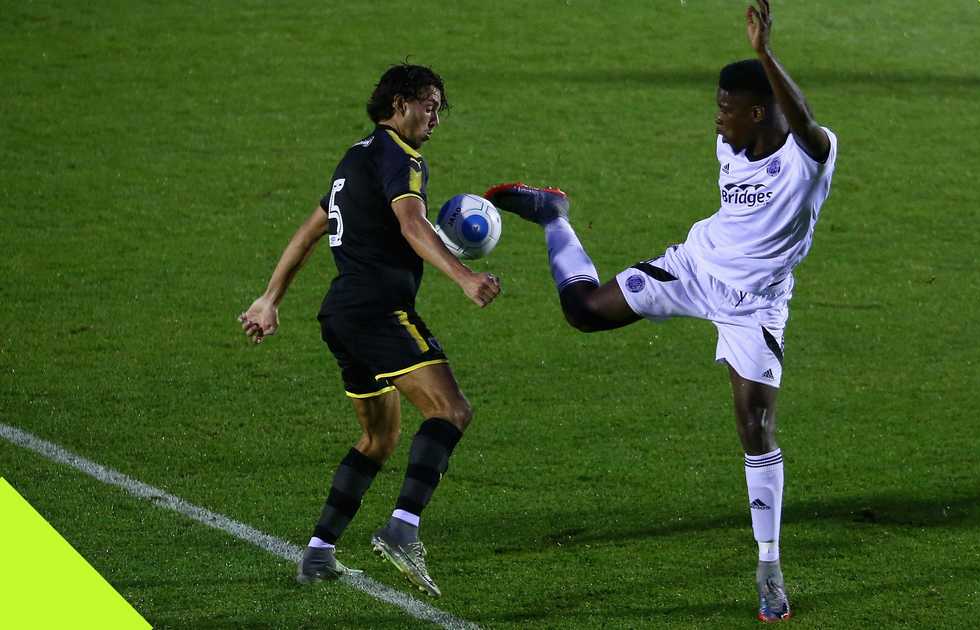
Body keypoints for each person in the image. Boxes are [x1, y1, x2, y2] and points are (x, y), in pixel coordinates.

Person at [484, 1, 834, 622]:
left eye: (726, 108)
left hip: (754, 308)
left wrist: (764, 54)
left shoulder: (810, 158)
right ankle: (554, 216)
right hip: (695, 267)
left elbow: (801, 119)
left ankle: (769, 568)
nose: (716, 119)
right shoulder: (733, 145)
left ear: (757, 111)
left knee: (756, 430)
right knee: (584, 310)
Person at [238, 63, 500, 598]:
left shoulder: (352, 159)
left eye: (438, 107)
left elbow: (309, 233)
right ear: (398, 103)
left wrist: (270, 298)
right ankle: (403, 528)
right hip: (378, 313)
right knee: (451, 411)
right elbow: (411, 222)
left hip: (341, 318)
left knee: (380, 438)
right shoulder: (402, 160)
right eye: (429, 103)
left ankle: (318, 553)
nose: (435, 116)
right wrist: (465, 277)